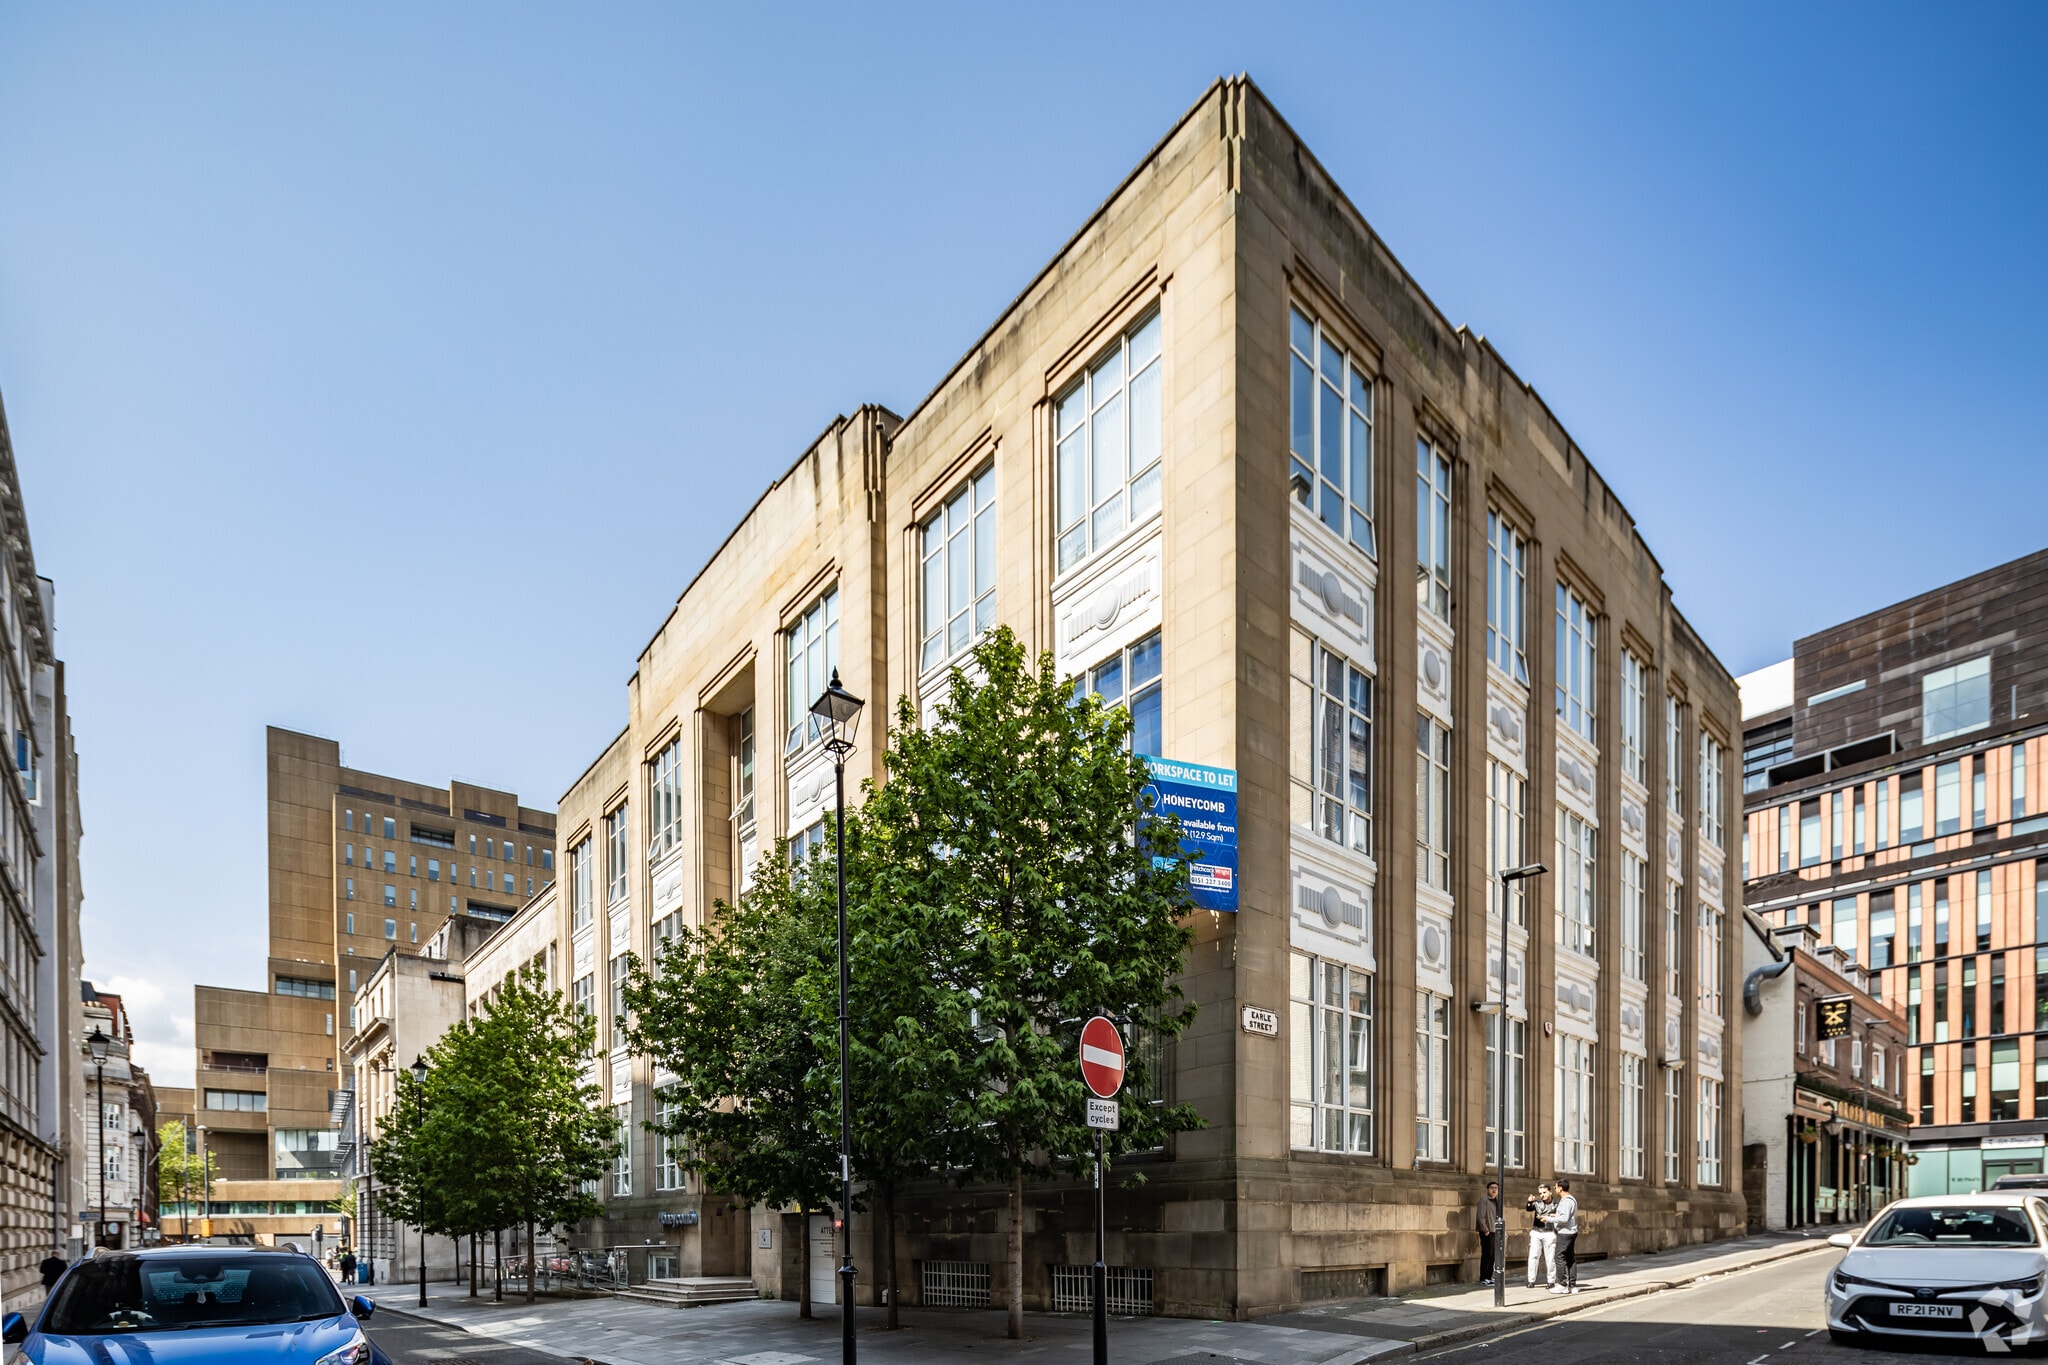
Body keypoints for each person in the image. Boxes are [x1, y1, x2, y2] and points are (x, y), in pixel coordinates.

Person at [1524, 1182, 1557, 1289]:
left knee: (1550, 1258)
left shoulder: (1556, 1204)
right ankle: (1531, 1280)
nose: (1542, 1195)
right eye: (1540, 1193)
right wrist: (1529, 1201)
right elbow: (1528, 1208)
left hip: (1549, 1232)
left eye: (1544, 1192)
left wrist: (1554, 1216)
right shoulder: (1537, 1203)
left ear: (1550, 1192)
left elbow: (1561, 1216)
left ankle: (1551, 1281)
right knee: (1533, 1256)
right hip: (1536, 1231)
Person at [1550, 1179, 1580, 1294]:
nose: (1555, 1189)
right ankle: (1572, 1285)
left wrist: (1549, 1218)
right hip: (1570, 1232)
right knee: (1570, 1258)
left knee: (1559, 1257)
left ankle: (1562, 1284)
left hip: (1565, 1232)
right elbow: (1565, 1215)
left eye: (1556, 1187)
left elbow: (1564, 1219)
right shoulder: (1570, 1199)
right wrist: (1556, 1214)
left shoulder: (1566, 1201)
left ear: (1561, 1188)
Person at [1475, 1181, 1501, 1287]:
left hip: (1495, 1231)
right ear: (1488, 1189)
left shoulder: (1496, 1201)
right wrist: (1485, 1230)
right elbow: (1480, 1217)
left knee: (1493, 1255)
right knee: (1487, 1254)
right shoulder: (1484, 1200)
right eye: (1491, 1188)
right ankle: (1483, 1278)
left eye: (1496, 1188)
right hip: (1487, 1232)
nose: (1494, 1190)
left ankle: (1489, 1277)